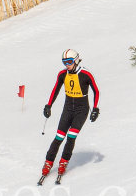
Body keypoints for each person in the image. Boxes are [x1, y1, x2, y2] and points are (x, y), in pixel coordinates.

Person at [41, 49, 100, 178]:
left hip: (81, 110)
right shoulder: (62, 74)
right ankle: (48, 162)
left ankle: (64, 161)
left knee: (71, 136)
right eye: (64, 62)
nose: (67, 64)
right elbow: (55, 90)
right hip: (67, 109)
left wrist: (95, 108)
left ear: (76, 60)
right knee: (59, 137)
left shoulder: (85, 74)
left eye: (69, 61)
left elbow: (96, 91)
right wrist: (48, 106)